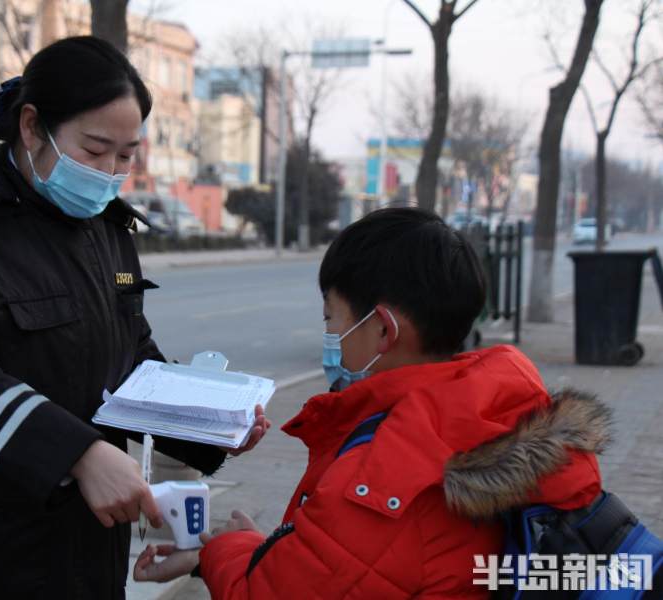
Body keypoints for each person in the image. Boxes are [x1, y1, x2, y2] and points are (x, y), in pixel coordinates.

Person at [0, 36, 269, 600]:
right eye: (95, 150)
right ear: (31, 128)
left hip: (81, 554)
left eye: (126, 155)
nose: (109, 172)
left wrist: (208, 430)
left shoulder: (105, 227)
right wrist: (76, 453)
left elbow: (128, 362)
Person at [134, 208, 610, 598]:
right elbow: (356, 569)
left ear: (383, 329)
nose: (331, 337)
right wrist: (268, 549)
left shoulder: (384, 472)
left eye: (332, 318)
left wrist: (226, 548)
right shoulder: (496, 409)